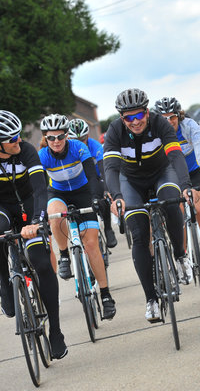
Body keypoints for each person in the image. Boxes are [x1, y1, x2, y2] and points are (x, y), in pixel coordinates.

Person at [0, 110, 67, 359]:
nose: (18, 141)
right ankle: (4, 281)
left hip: (28, 204)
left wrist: (36, 222)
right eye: (12, 139)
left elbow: (41, 190)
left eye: (18, 135)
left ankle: (55, 332)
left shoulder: (26, 150)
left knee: (42, 263)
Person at [103, 88, 195, 323]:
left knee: (171, 202)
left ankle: (181, 255)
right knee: (140, 234)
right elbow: (111, 168)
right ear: (122, 118)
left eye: (139, 115)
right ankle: (151, 300)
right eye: (128, 118)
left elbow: (175, 157)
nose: (135, 122)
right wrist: (116, 196)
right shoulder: (115, 131)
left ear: (146, 111)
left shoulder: (160, 124)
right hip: (130, 180)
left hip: (162, 173)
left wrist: (185, 185)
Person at [38, 114, 116, 320]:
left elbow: (92, 176)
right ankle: (64, 254)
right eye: (51, 138)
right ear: (45, 138)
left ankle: (106, 295)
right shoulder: (43, 155)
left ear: (66, 135)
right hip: (58, 193)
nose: (56, 141)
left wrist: (97, 198)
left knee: (91, 245)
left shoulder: (78, 148)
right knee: (54, 215)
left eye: (60, 136)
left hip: (83, 192)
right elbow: (37, 187)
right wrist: (39, 213)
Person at [154, 97, 200, 273]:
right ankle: (182, 256)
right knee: (178, 214)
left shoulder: (191, 127)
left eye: (172, 117)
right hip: (173, 176)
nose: (169, 122)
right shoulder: (156, 134)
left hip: (194, 172)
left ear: (179, 116)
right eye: (164, 119)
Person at [67, 118, 117, 248]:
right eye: (75, 140)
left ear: (88, 136)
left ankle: (108, 228)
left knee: (103, 198)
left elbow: (103, 169)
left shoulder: (95, 146)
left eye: (82, 139)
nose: (80, 143)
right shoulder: (67, 150)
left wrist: (106, 189)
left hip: (95, 177)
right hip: (78, 182)